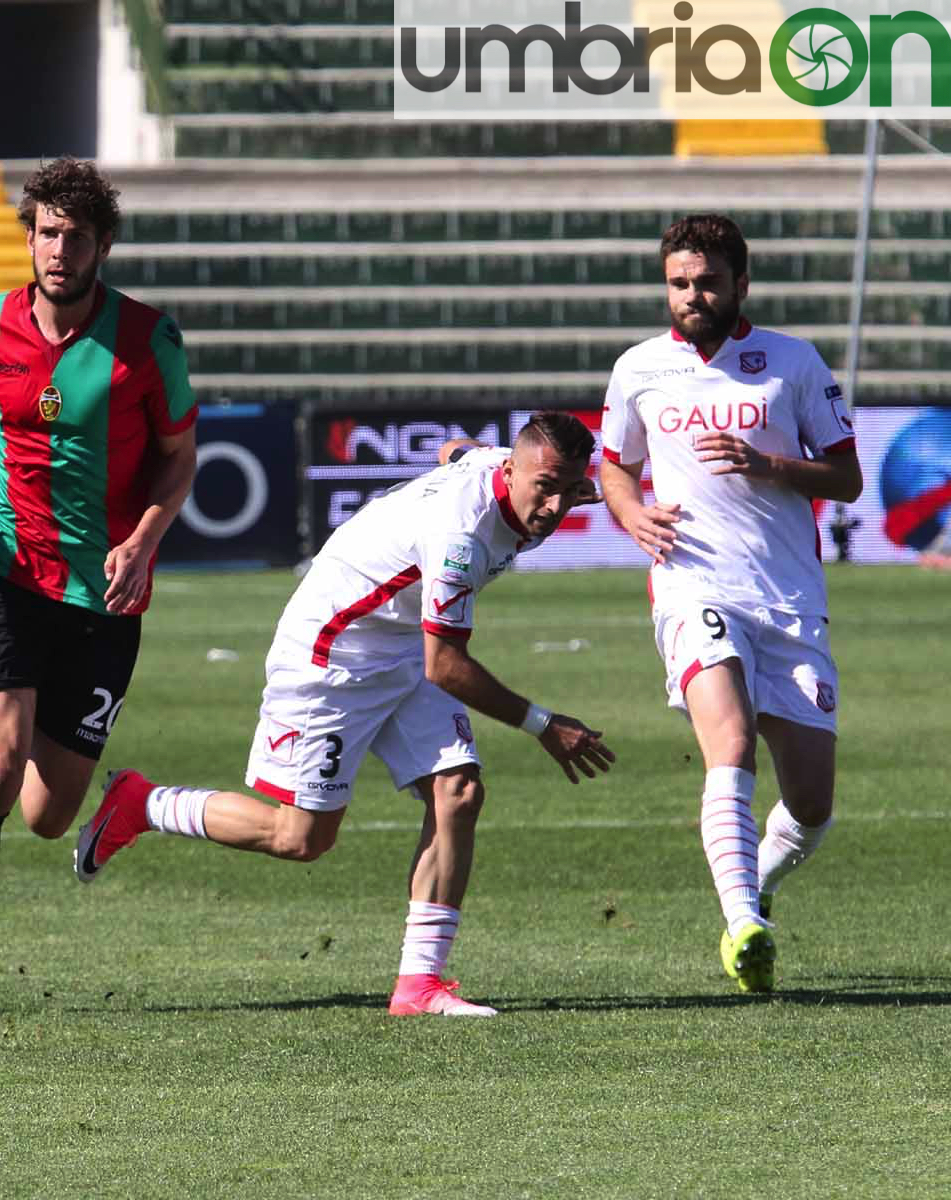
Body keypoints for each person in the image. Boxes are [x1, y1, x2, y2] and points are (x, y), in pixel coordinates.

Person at [74, 412, 615, 1018]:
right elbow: (447, 667)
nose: (554, 505)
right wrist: (545, 724)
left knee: (459, 791)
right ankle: (142, 803)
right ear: (512, 470)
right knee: (300, 838)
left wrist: (565, 484)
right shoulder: (460, 535)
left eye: (569, 489)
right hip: (331, 658)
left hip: (401, 644)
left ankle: (419, 985)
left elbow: (455, 449)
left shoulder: (499, 467)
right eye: (544, 486)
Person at [0, 156, 199, 1018]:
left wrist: (145, 539)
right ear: (28, 238)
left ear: (102, 243)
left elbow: (179, 458)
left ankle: (130, 803)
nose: (57, 249)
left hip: (106, 595)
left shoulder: (150, 339)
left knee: (44, 814)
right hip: (4, 572)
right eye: (44, 232)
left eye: (74, 235)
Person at [597, 213, 862, 994]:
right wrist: (628, 511)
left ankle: (761, 892)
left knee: (812, 807)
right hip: (691, 585)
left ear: (741, 283)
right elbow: (617, 466)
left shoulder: (790, 362)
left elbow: (846, 479)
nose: (692, 295)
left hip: (787, 600)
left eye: (707, 281)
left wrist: (767, 462)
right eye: (679, 282)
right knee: (732, 742)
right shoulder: (639, 368)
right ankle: (743, 923)